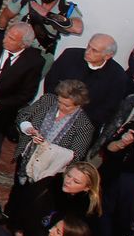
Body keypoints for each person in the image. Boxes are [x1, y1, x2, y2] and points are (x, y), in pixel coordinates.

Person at [9, 81, 98, 216]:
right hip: (26, 156)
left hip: (48, 171)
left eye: (66, 105)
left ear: (78, 106)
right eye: (59, 101)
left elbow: (76, 155)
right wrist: (28, 129)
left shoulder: (84, 126)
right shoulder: (47, 100)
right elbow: (23, 115)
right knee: (17, 190)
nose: (60, 106)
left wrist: (48, 148)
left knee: (32, 200)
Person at [0, 0, 84, 66]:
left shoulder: (66, 8)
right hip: (15, 48)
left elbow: (78, 28)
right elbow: (4, 16)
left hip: (40, 56)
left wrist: (47, 14)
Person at [45, 34, 128, 131]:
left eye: (94, 50)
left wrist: (75, 119)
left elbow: (108, 109)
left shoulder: (118, 77)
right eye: (89, 46)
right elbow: (50, 82)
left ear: (107, 56)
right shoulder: (69, 55)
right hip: (52, 112)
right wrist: (58, 109)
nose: (88, 52)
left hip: (83, 126)